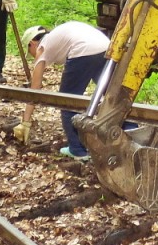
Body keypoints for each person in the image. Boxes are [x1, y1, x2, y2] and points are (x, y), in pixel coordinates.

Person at [12, 22, 111, 161]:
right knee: (112, 96)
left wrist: (25, 122)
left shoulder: (42, 47)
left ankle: (77, 150)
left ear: (32, 43)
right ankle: (131, 129)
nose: (33, 56)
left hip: (83, 50)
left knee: (66, 101)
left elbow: (35, 91)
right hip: (106, 47)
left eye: (31, 53)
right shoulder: (56, 37)